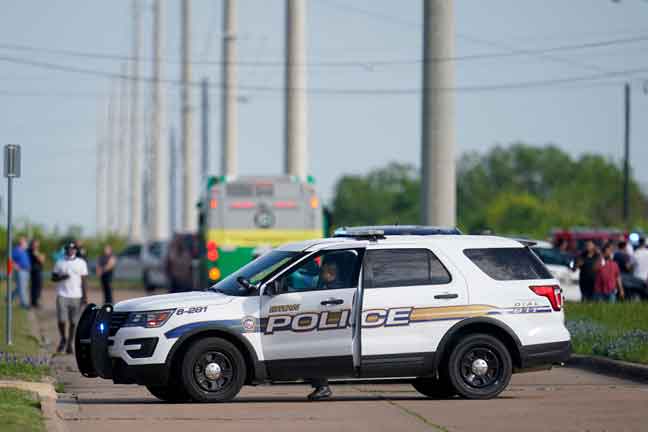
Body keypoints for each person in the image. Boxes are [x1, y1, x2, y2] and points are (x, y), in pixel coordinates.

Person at [52, 241, 88, 354]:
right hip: (62, 295)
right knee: (62, 320)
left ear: (76, 250)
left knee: (73, 322)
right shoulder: (60, 262)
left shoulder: (81, 263)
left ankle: (69, 343)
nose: (70, 250)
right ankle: (63, 337)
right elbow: (53, 278)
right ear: (65, 250)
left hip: (76, 296)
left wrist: (85, 296)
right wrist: (61, 277)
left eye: (72, 249)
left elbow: (84, 280)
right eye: (68, 249)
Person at [11, 237, 31, 309]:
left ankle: (9, 297)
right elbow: (10, 259)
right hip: (20, 271)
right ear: (21, 243)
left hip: (26, 271)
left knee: (21, 287)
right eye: (25, 242)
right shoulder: (16, 250)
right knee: (22, 288)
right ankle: (24, 304)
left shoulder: (24, 250)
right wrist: (15, 266)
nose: (26, 244)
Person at [28, 239, 45, 308]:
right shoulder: (31, 251)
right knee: (36, 287)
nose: (37, 245)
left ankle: (34, 302)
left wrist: (41, 256)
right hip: (35, 271)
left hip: (38, 270)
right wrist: (40, 256)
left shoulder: (35, 251)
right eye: (36, 244)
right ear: (32, 244)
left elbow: (42, 260)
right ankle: (34, 303)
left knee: (37, 287)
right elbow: (41, 259)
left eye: (38, 244)